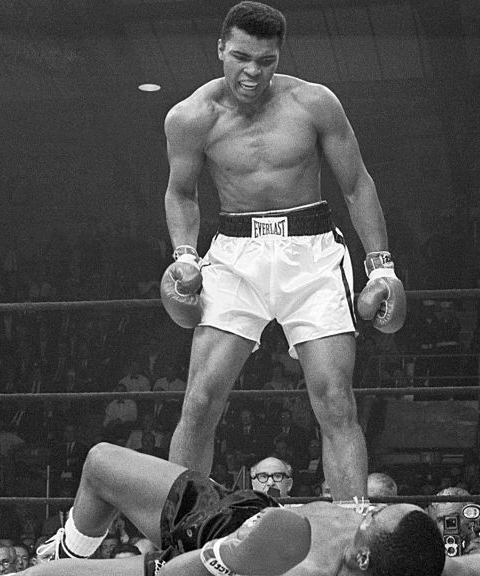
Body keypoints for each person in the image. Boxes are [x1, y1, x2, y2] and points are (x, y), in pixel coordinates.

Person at [159, 0, 406, 502]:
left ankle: (350, 531)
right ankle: (181, 536)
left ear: (280, 56)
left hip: (312, 254)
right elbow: (181, 192)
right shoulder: (190, 117)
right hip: (234, 254)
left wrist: (382, 266)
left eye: (266, 60)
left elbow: (357, 184)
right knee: (201, 400)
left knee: (336, 400)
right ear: (221, 49)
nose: (253, 71)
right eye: (243, 57)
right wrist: (185, 254)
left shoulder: (314, 103)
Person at [30, 442, 443, 576]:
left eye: (374, 517)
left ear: (364, 556)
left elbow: (174, 574)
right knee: (100, 461)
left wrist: (218, 555)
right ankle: (71, 550)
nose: (365, 510)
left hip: (206, 550)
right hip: (231, 505)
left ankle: (66, 564)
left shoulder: (307, 570)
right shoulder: (410, 552)